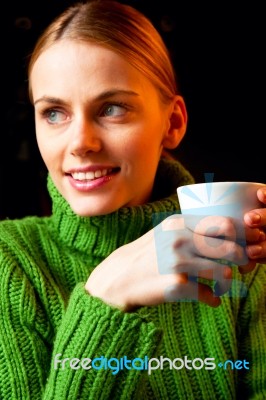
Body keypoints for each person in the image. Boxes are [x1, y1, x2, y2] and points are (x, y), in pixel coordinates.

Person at [0, 1, 265, 398]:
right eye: (54, 113)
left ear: (172, 123)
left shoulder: (244, 261)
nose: (80, 143)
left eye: (112, 109)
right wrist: (105, 298)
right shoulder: (9, 261)